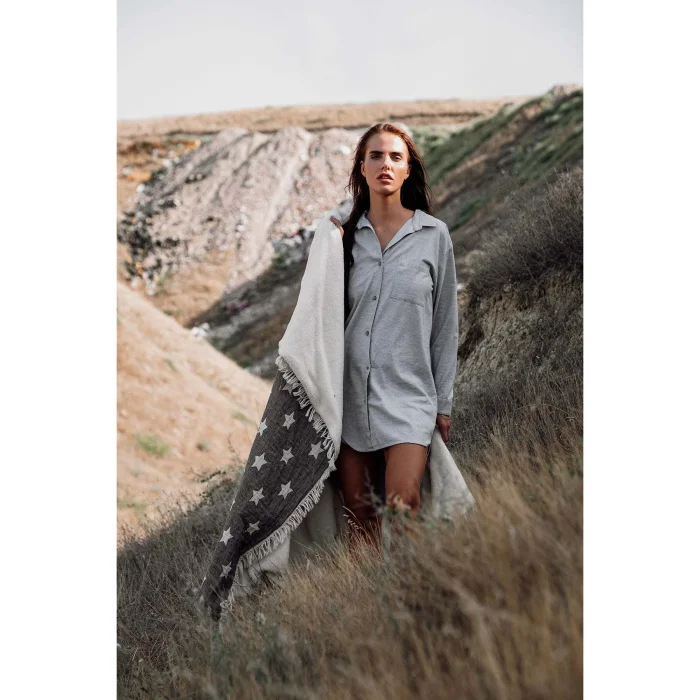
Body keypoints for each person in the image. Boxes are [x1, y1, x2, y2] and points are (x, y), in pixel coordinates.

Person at [328, 123, 459, 557]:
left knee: (404, 505)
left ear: (408, 170)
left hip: (409, 396)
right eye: (376, 156)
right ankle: (361, 600)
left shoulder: (433, 236)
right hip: (350, 401)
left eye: (396, 157)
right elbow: (321, 320)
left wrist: (443, 403)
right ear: (361, 168)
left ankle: (412, 592)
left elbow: (445, 324)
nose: (386, 164)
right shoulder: (342, 240)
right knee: (360, 522)